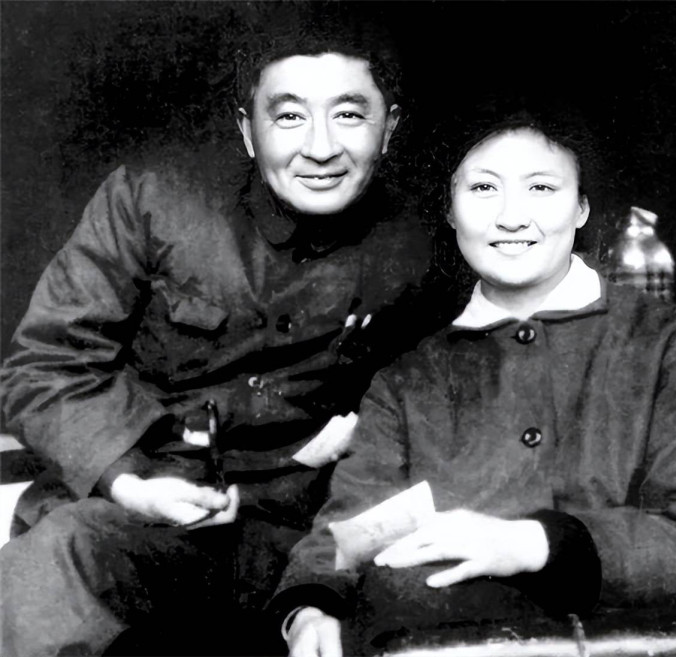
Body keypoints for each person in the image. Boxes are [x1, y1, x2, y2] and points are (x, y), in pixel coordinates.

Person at [0, 7, 439, 656]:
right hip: (131, 519)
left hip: (298, 543)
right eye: (288, 117)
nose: (321, 147)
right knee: (52, 569)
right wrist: (128, 482)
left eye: (349, 114)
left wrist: (320, 582)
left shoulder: (418, 244)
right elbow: (44, 366)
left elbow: (421, 422)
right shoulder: (151, 200)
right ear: (247, 130)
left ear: (390, 127)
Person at [272, 110, 676, 657]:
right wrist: (311, 606)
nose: (511, 217)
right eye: (483, 188)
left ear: (581, 207)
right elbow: (353, 528)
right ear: (449, 210)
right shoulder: (407, 381)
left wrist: (533, 543)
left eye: (541, 188)